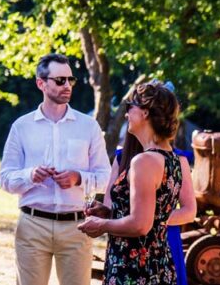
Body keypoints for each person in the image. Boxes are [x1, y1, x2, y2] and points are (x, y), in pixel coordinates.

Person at [0, 53, 111, 285]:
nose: (67, 85)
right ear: (41, 83)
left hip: (76, 226)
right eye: (60, 80)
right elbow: (5, 178)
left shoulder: (88, 126)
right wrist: (30, 175)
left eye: (71, 80)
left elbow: (105, 177)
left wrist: (78, 178)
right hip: (32, 225)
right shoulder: (22, 126)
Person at [78, 82, 197, 285]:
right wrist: (109, 212)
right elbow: (154, 214)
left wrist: (102, 225)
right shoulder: (174, 160)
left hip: (134, 269)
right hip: (159, 263)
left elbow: (140, 224)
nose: (125, 115)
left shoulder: (144, 161)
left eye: (129, 108)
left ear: (144, 113)